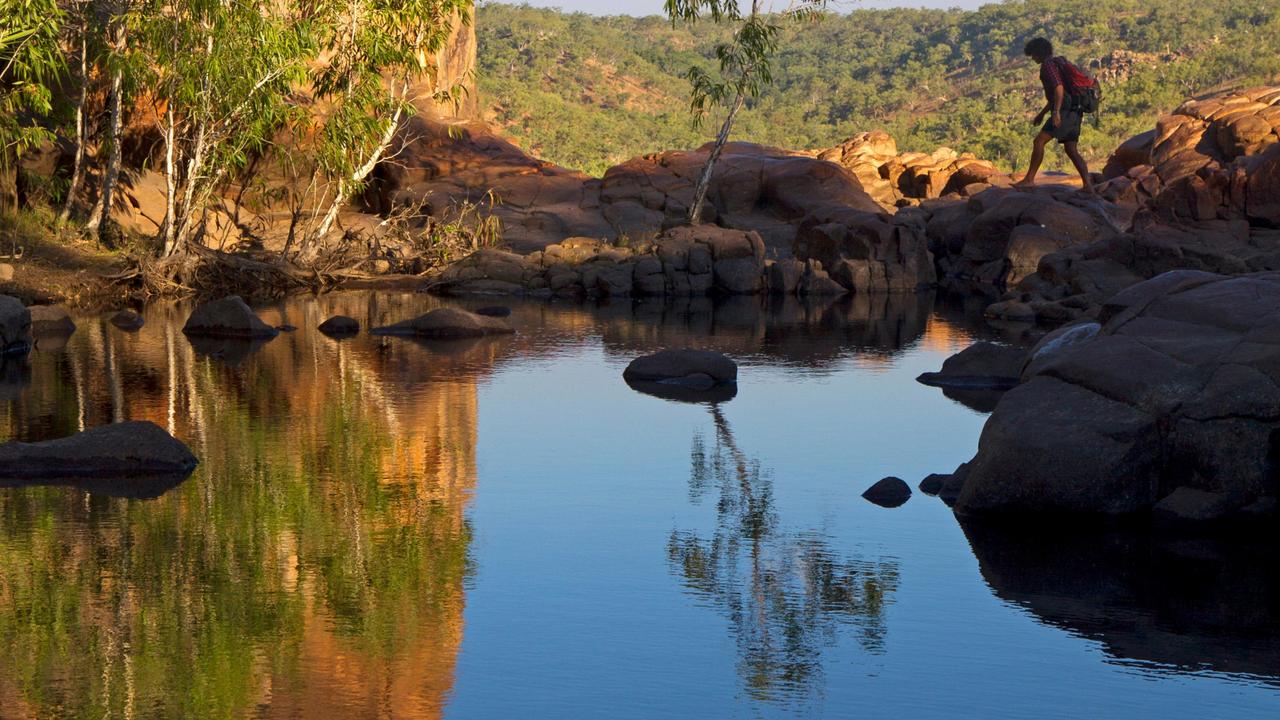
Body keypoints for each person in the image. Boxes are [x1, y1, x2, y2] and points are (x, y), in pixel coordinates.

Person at [1014, 37, 1094, 193]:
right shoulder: (1059, 62)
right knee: (1071, 149)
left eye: (1033, 55)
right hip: (1075, 109)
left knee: (1039, 142)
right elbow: (1055, 95)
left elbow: (1058, 89)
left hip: (1064, 110)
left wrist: (1056, 112)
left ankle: (1029, 180)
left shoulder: (1048, 66)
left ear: (1039, 52)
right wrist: (1042, 114)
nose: (1033, 58)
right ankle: (1088, 186)